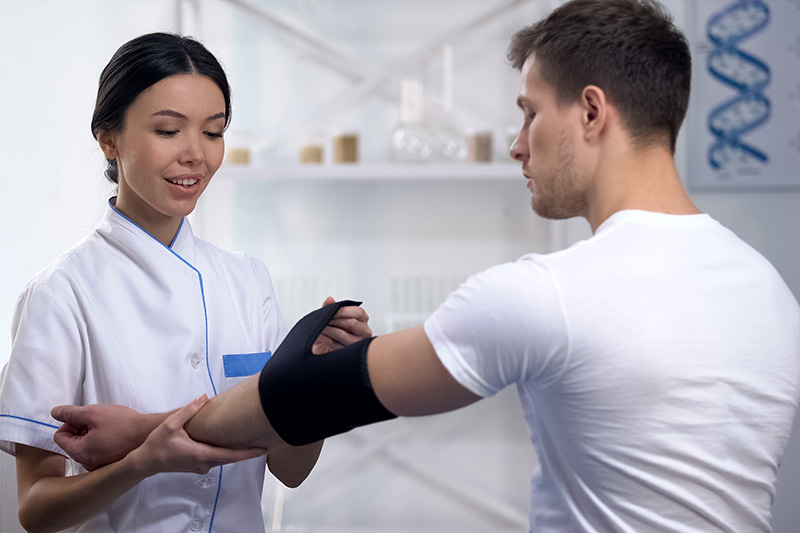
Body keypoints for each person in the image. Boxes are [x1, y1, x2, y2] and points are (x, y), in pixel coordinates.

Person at [52, 1, 800, 531]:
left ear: (593, 112)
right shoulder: (766, 288)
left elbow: (304, 397)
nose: (517, 143)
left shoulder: (549, 296)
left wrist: (141, 433)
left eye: (529, 112)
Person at [0, 32, 370, 533]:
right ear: (109, 138)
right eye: (169, 130)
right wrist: (141, 461)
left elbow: (290, 469)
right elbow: (36, 510)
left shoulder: (247, 281)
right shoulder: (61, 293)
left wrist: (317, 379)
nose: (196, 154)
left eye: (213, 133)